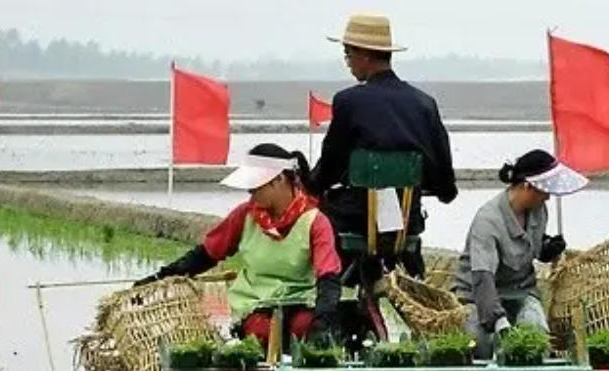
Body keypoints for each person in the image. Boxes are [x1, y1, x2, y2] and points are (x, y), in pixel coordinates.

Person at [136, 143, 342, 347]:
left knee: (303, 328)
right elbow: (207, 254)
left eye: (255, 188)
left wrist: (322, 323)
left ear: (279, 179)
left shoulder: (315, 221)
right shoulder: (245, 215)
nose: (251, 195)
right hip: (253, 304)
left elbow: (328, 277)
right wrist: (160, 277)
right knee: (261, 332)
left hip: (300, 301)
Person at [310, 13, 457, 277]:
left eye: (348, 55)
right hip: (406, 224)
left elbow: (329, 166)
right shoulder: (424, 103)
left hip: (355, 221)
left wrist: (311, 183)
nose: (347, 64)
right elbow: (445, 181)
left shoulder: (348, 102)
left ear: (365, 55)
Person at [452, 149, 589, 358]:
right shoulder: (488, 221)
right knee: (480, 344)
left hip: (521, 291)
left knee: (535, 335)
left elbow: (529, 244)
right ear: (527, 186)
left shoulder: (538, 209)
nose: (548, 198)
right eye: (544, 191)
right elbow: (482, 277)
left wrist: (546, 248)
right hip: (477, 296)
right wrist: (498, 321)